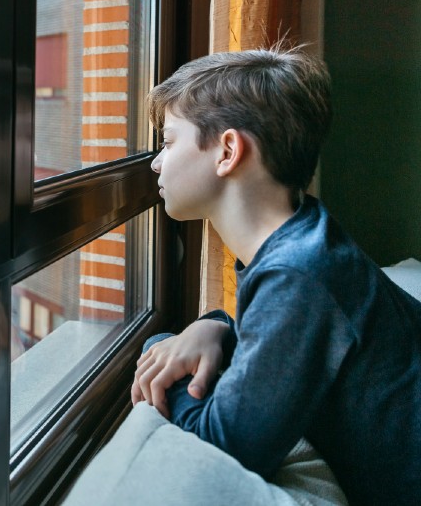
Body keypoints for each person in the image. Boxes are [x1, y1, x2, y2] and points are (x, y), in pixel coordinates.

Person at [131, 45, 421, 505]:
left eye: (168, 142)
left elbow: (227, 444)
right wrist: (216, 325)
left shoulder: (299, 272)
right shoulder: (306, 236)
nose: (156, 162)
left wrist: (155, 348)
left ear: (228, 150)